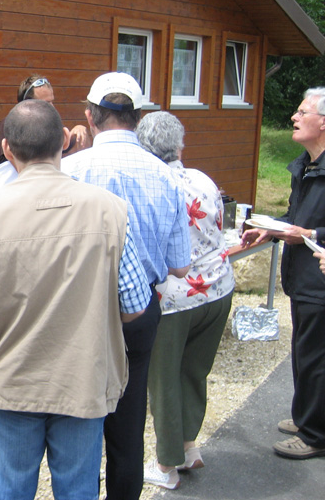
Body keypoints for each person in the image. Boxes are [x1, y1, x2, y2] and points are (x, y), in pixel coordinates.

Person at [0, 100, 150, 500]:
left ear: (7, 148)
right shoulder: (110, 210)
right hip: (83, 377)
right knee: (78, 489)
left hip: (11, 379)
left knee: (11, 488)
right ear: (64, 140)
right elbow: (135, 305)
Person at [61, 72, 190, 500]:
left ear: (89, 116)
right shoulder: (166, 176)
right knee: (129, 424)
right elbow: (179, 266)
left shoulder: (69, 169)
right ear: (138, 117)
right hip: (141, 311)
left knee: (79, 420)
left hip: (78, 308)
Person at [136, 112, 235, 490]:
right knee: (193, 372)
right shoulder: (202, 178)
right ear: (179, 145)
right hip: (218, 288)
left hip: (175, 300)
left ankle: (166, 465)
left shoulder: (152, 185)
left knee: (163, 381)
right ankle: (189, 446)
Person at [241, 87, 325, 460]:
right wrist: (272, 230)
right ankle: (308, 415)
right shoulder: (305, 165)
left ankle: (315, 434)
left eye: (303, 112)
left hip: (319, 279)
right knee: (304, 352)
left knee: (317, 358)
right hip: (301, 277)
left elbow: (307, 228)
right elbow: (295, 217)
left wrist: (310, 234)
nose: (294, 117)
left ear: (323, 122)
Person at [0, 74, 89, 189]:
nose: (52, 107)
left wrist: (78, 130)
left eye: (52, 101)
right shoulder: (10, 124)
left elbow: (69, 148)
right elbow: (25, 168)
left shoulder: (49, 123)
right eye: (46, 103)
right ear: (26, 104)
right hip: (9, 192)